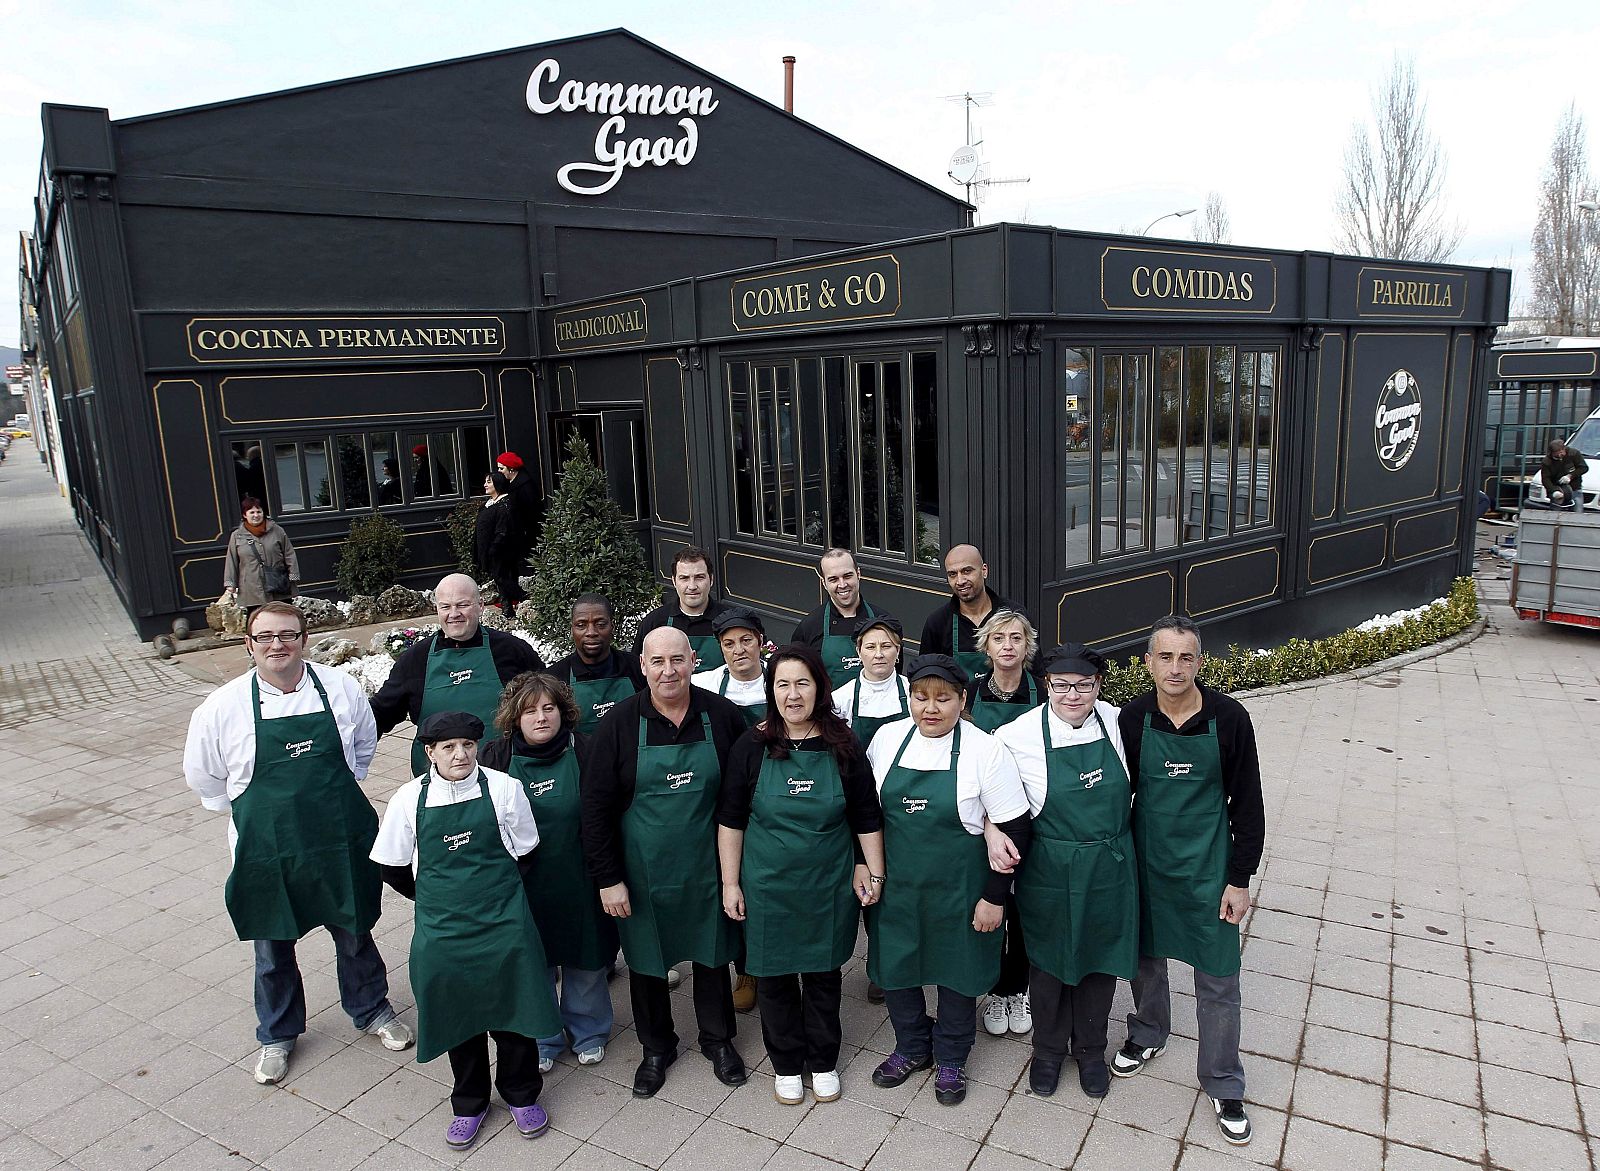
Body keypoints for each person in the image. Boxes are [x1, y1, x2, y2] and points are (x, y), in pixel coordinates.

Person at [183, 602, 413, 1085]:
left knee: (354, 930)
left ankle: (372, 1009)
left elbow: (363, 749)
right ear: (248, 644)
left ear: (304, 639)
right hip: (269, 852)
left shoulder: (341, 688)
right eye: (265, 637)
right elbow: (205, 780)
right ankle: (277, 1035)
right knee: (272, 946)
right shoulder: (221, 708)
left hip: (339, 842)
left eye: (287, 635)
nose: (277, 645)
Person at [370, 711, 561, 1150]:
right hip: (442, 929)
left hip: (504, 923)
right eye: (449, 747)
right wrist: (434, 899)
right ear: (429, 752)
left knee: (515, 1013)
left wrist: (494, 897)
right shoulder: (406, 799)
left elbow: (527, 851)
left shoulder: (504, 789)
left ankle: (521, 1094)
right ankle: (470, 1102)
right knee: (459, 1016)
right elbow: (392, 866)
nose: (461, 755)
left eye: (468, 746)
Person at [1114, 615, 1265, 1146]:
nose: (1175, 668)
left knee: (1219, 976)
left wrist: (1239, 878)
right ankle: (1150, 1031)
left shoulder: (1230, 719)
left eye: (1186, 657)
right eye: (1165, 657)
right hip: (1147, 863)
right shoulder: (1133, 719)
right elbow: (1119, 794)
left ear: (1200, 662)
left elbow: (1249, 808)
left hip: (1207, 870)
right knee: (1144, 960)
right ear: (1148, 662)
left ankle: (1223, 1079)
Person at [581, 627, 750, 1098]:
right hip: (641, 873)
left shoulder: (721, 715)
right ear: (642, 665)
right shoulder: (618, 724)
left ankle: (718, 1041)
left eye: (677, 660)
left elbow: (743, 794)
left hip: (710, 866)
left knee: (714, 956)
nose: (668, 671)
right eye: (658, 662)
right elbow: (594, 809)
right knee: (647, 962)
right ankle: (657, 1047)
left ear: (694, 660)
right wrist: (608, 879)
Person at [717, 646, 886, 1105]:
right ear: (771, 692)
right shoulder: (751, 746)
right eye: (783, 685)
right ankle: (787, 1064)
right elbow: (731, 819)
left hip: (826, 883)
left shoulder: (843, 744)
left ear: (819, 688)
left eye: (803, 683)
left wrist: (873, 871)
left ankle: (824, 1059)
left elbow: (866, 814)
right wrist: (731, 883)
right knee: (772, 978)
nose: (793, 695)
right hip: (767, 883)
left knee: (822, 975)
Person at [864, 655, 1033, 1107]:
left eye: (943, 698)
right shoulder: (886, 739)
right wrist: (864, 867)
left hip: (961, 891)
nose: (930, 709)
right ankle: (912, 1046)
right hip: (897, 888)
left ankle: (953, 1056)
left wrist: (994, 897)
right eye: (921, 698)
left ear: (963, 700)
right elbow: (865, 814)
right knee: (897, 971)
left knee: (957, 974)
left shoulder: (984, 751)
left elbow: (1014, 828)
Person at [991, 643, 1137, 1099]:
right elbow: (982, 785)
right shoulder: (1016, 736)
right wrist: (992, 831)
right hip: (1048, 868)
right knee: (1049, 962)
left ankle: (1092, 1050)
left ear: (1098, 686)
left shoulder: (1116, 723)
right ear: (1047, 686)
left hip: (1108, 864)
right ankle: (1049, 1050)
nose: (1073, 695)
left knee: (1099, 959)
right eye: (1062, 686)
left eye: (1084, 686)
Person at [481, 673, 616, 1072]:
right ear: (514, 717)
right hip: (522, 884)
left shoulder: (588, 751)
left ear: (563, 711)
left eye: (548, 708)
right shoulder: (495, 759)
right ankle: (543, 1036)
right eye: (529, 711)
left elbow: (610, 815)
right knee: (533, 961)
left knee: (586, 958)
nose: (541, 717)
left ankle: (588, 1030)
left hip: (581, 877)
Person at [370, 573, 546, 776]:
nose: (454, 614)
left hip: (505, 775)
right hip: (438, 783)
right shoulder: (415, 660)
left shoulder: (512, 650)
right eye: (446, 606)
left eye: (462, 605)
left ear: (480, 606)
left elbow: (547, 700)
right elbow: (380, 713)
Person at [918, 545, 1027, 679]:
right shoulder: (938, 622)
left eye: (967, 571)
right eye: (952, 574)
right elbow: (926, 677)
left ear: (984, 571)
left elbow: (1035, 670)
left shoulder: (1015, 616)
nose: (960, 581)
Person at [547, 594, 645, 736]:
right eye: (581, 625)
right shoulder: (553, 679)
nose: (591, 633)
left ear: (612, 626)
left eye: (600, 624)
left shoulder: (638, 668)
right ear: (572, 629)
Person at [791, 548, 890, 687]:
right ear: (824, 583)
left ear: (858, 574)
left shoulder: (884, 621)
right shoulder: (809, 627)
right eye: (833, 579)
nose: (842, 584)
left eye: (848, 576)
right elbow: (798, 677)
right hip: (829, 707)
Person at [634, 546, 732, 669]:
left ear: (711, 580)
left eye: (699, 577)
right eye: (684, 578)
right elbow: (637, 671)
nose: (692, 586)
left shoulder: (729, 621)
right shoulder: (655, 622)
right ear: (674, 581)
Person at [833, 615, 910, 753]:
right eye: (870, 647)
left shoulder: (913, 693)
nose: (879, 654)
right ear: (859, 652)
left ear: (898, 651)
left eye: (886, 646)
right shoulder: (841, 699)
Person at [965, 608, 1042, 734]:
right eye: (998, 638)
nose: (1008, 646)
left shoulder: (1043, 693)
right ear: (987, 648)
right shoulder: (969, 693)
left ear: (1027, 647)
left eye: (1016, 638)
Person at [692, 607, 769, 729]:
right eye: (729, 644)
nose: (739, 650)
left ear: (760, 641)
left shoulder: (780, 679)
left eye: (746, 640)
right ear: (721, 648)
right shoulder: (704, 685)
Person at [222, 496, 299, 615]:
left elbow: (289, 553)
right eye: (251, 512)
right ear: (244, 515)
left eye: (259, 511)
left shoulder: (277, 531)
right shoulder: (237, 536)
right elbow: (231, 560)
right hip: (251, 587)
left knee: (284, 616)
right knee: (256, 620)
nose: (256, 515)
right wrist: (230, 583)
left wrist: (293, 575)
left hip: (278, 584)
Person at [474, 472, 526, 609]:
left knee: (501, 577)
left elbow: (504, 529)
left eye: (489, 482)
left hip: (501, 549)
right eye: (485, 481)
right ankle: (507, 607)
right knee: (498, 577)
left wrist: (494, 547)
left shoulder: (505, 504)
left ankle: (522, 596)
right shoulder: (489, 503)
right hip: (490, 548)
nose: (485, 485)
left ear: (498, 484)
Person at [497, 450, 543, 556]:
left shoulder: (526, 487)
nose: (499, 471)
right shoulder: (513, 483)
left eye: (501, 468)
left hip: (527, 536)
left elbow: (532, 514)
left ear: (511, 469)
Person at [1541, 437, 1589, 510]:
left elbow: (1584, 468)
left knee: (1578, 513)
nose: (1561, 454)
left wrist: (1570, 476)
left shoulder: (1574, 454)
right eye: (1558, 453)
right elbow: (1545, 479)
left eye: (1562, 451)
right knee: (1556, 513)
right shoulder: (1547, 462)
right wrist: (1553, 491)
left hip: (1575, 488)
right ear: (1552, 452)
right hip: (1558, 490)